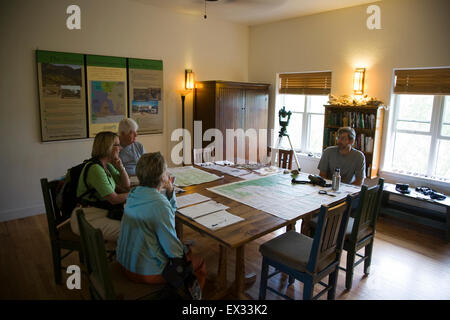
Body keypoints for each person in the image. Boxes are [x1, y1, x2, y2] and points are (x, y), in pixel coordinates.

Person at [116, 152, 206, 290]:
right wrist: (182, 250)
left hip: (124, 262)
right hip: (144, 271)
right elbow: (173, 250)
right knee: (198, 261)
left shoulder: (134, 194)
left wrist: (170, 190)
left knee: (185, 250)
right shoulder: (159, 204)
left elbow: (167, 212)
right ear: (163, 177)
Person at [70, 131, 130, 242]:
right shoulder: (95, 169)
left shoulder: (106, 165)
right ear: (108, 147)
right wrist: (137, 194)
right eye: (117, 145)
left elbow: (126, 186)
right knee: (131, 231)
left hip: (100, 211)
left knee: (135, 226)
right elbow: (114, 199)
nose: (120, 148)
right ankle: (123, 258)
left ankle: (125, 256)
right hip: (86, 217)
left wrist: (121, 168)